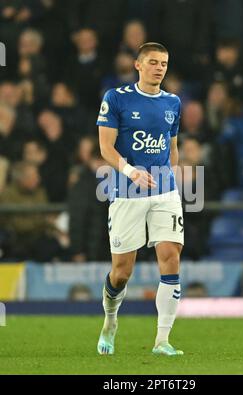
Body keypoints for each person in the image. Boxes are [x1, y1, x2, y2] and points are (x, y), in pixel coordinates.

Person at [97, 42, 184, 356]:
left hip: (164, 191)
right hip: (126, 191)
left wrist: (172, 178)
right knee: (121, 272)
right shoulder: (117, 98)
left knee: (171, 256)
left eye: (164, 62)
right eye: (153, 62)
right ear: (138, 65)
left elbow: (172, 147)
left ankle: (162, 340)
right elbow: (106, 148)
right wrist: (130, 171)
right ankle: (110, 320)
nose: (159, 67)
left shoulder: (173, 102)